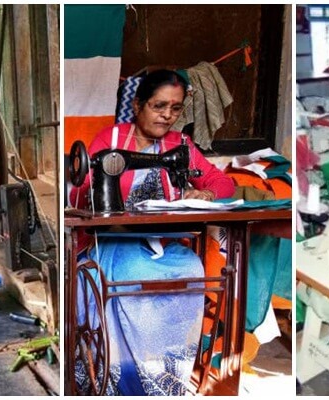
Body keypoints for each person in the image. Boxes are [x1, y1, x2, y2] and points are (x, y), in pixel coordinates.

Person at [69, 70, 235, 395]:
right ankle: (130, 382)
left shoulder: (180, 145)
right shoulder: (111, 141)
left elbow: (222, 181)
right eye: (159, 106)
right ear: (137, 104)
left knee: (192, 269)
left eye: (175, 109)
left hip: (163, 244)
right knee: (136, 273)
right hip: (112, 243)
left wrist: (207, 194)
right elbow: (80, 193)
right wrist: (90, 194)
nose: (167, 116)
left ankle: (167, 380)